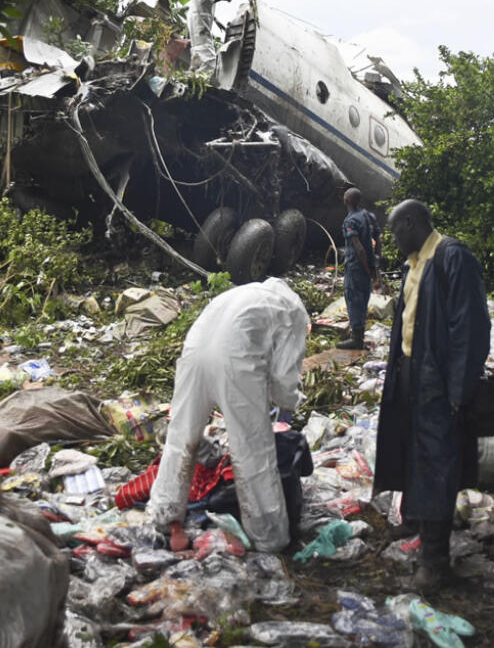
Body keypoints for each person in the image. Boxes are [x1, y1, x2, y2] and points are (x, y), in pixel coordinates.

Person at [373, 199, 490, 590]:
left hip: (437, 380)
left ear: (411, 223)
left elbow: (470, 328)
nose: (392, 238)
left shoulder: (452, 257)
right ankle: (414, 520)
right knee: (409, 447)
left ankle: (436, 560)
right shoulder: (414, 264)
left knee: (436, 460)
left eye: (394, 230)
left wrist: (459, 389)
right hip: (409, 371)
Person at [147, 277, 309, 552]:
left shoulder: (245, 294)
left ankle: (166, 516)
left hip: (194, 353)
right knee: (252, 449)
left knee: (182, 437)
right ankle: (268, 536)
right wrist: (287, 404)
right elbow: (284, 376)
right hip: (235, 361)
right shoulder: (293, 311)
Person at [337, 187, 381, 350]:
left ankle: (356, 339)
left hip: (356, 267)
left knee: (354, 300)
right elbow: (378, 240)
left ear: (346, 200)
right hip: (368, 266)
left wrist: (366, 267)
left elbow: (359, 248)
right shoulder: (369, 216)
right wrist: (375, 266)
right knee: (363, 300)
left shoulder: (350, 221)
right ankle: (359, 334)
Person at [187, 0, 229, 75]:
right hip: (199, 21)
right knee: (209, 58)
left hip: (201, 19)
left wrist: (216, 21)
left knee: (198, 54)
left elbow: (205, 7)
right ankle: (202, 78)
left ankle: (192, 76)